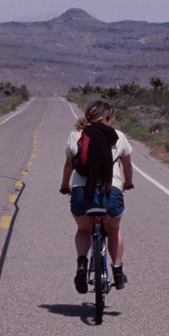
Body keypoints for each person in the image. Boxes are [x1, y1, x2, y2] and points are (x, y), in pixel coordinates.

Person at [60, 101, 134, 293]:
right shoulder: (119, 136)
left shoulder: (76, 135)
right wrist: (127, 183)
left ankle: (82, 265)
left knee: (84, 230)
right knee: (114, 230)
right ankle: (117, 271)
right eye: (113, 117)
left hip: (82, 193)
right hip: (111, 191)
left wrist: (64, 185)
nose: (114, 120)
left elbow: (69, 165)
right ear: (107, 118)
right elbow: (127, 166)